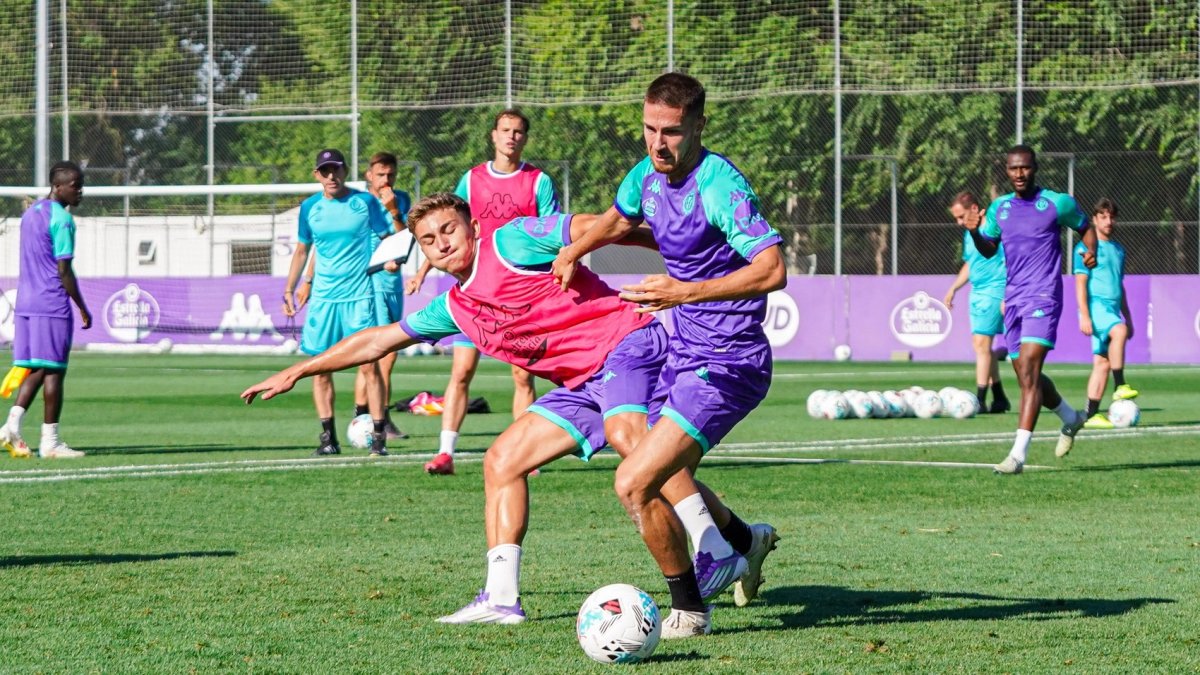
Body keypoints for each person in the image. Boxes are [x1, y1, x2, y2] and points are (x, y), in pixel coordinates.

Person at [242, 193, 775, 626]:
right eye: (428, 239)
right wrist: (299, 369)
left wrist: (684, 252)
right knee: (503, 460)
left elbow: (598, 227)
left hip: (630, 345)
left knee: (630, 440)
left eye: (449, 229)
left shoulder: (512, 241)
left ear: (472, 227)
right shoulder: (455, 308)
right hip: (581, 385)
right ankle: (502, 598)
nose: (441, 243)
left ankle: (712, 550)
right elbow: (379, 339)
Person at [552, 73, 786, 638]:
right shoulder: (646, 175)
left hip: (728, 361)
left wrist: (685, 292)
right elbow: (619, 218)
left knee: (634, 480)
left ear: (700, 125)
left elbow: (773, 269)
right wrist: (575, 249)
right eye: (650, 129)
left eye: (672, 132)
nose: (658, 143)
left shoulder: (720, 186)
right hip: (683, 347)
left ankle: (691, 610)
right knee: (653, 461)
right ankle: (744, 541)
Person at [407, 109, 560, 476]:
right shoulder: (473, 179)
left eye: (518, 131)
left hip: (519, 294)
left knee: (522, 376)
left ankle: (526, 454)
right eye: (505, 130)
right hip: (474, 291)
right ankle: (445, 453)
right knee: (462, 371)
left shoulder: (538, 181)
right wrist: (423, 270)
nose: (511, 136)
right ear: (493, 135)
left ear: (525, 138)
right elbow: (445, 225)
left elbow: (553, 232)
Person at [959, 145, 1096, 475]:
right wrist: (974, 231)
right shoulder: (1000, 208)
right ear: (1006, 171)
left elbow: (1085, 227)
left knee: (1031, 367)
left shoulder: (1056, 203)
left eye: (1025, 168)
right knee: (1025, 374)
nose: (1019, 174)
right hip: (1013, 299)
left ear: (1035, 168)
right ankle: (1070, 417)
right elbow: (988, 250)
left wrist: (1090, 250)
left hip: (1044, 296)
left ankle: (1017, 455)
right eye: (1013, 168)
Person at [282, 148, 392, 457]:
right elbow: (303, 250)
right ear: (317, 175)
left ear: (345, 171)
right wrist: (291, 288)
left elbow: (387, 238)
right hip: (324, 299)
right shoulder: (309, 208)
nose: (331, 176)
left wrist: (390, 260)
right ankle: (328, 439)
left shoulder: (364, 202)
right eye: (325, 171)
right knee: (320, 369)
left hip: (359, 296)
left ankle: (379, 437)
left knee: (369, 366)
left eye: (336, 169)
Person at [296, 151, 411, 440]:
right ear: (368, 175)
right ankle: (370, 418)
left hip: (389, 282)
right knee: (376, 356)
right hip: (361, 286)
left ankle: (372, 419)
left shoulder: (398, 200)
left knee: (383, 356)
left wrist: (394, 212)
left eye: (391, 174)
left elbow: (402, 238)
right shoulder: (356, 202)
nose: (386, 179)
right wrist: (308, 279)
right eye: (381, 174)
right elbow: (324, 247)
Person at [0, 161, 91, 459]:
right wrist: (82, 306)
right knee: (54, 371)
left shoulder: (30, 213)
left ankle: (12, 426)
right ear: (57, 186)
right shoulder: (62, 219)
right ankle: (49, 442)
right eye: (75, 185)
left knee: (39, 368)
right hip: (51, 303)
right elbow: (64, 270)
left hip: (26, 302)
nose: (80, 191)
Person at [943, 191, 1011, 413]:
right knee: (983, 346)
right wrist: (954, 287)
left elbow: (1010, 261)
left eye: (961, 216)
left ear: (974, 208)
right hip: (978, 293)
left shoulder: (993, 230)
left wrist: (1007, 294)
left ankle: (980, 400)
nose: (959, 222)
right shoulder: (969, 234)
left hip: (994, 291)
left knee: (981, 345)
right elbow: (970, 264)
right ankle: (999, 397)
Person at [1075, 198, 1137, 429]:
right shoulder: (1085, 248)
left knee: (1102, 362)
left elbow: (1120, 286)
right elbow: (1080, 283)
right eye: (1103, 217)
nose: (1108, 221)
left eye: (1111, 217)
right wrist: (1084, 315)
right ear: (1094, 219)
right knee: (1118, 331)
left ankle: (1091, 415)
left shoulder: (1119, 250)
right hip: (1096, 308)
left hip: (1111, 309)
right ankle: (1120, 385)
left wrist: (1128, 317)